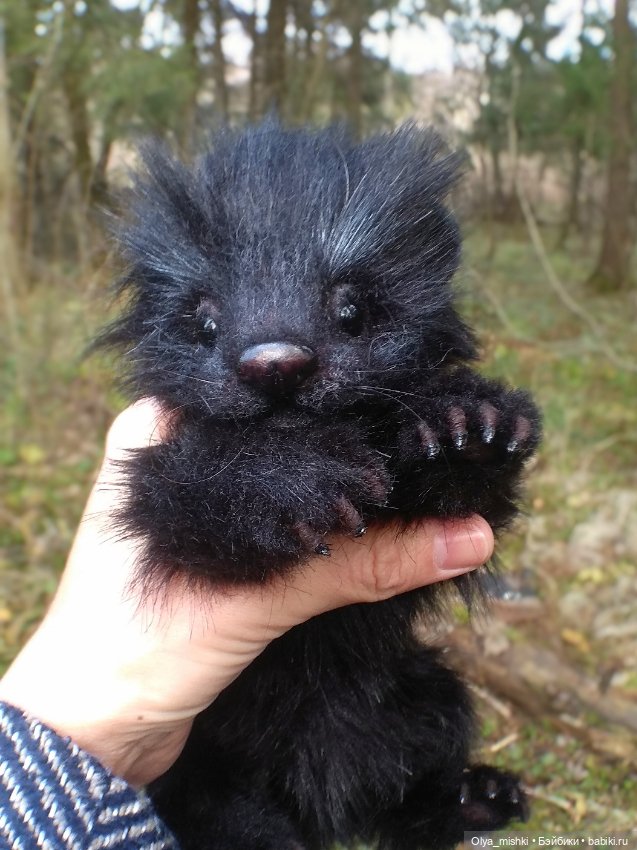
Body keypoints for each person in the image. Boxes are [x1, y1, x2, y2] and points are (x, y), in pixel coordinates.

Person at [0, 399, 494, 849]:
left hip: (369, 709)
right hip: (232, 746)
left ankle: (435, 810)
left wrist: (475, 448)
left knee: (442, 706)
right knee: (207, 792)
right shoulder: (193, 453)